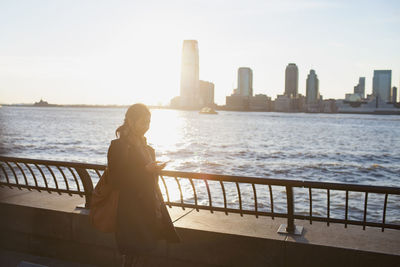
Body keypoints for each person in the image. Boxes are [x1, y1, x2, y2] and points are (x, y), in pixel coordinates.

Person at [107, 103, 180, 267]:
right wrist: (145, 170)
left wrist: (153, 170)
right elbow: (116, 179)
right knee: (133, 254)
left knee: (143, 254)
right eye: (143, 122)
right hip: (129, 211)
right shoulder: (118, 146)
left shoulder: (147, 149)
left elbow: (149, 180)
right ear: (130, 121)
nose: (146, 126)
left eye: (149, 122)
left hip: (147, 210)